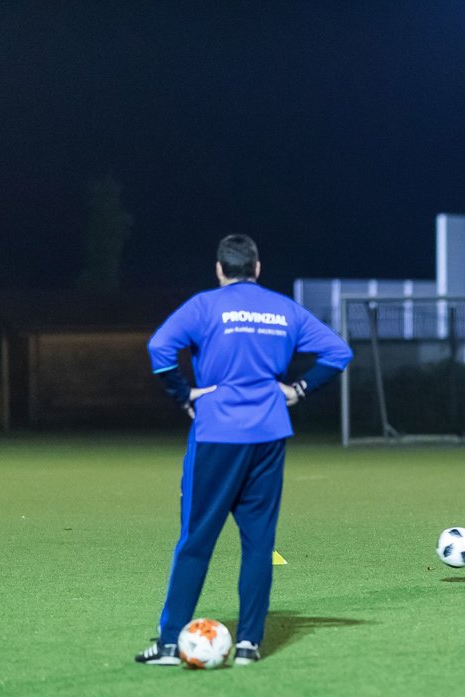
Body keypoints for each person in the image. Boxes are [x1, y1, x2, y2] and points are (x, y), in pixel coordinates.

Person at [135, 234, 352, 666]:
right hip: (269, 433)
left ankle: (165, 645)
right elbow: (339, 351)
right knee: (258, 543)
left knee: (196, 541)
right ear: (257, 268)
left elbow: (159, 348)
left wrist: (184, 395)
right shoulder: (284, 309)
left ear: (219, 269)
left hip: (217, 433)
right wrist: (300, 389)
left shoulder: (204, 306)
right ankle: (250, 644)